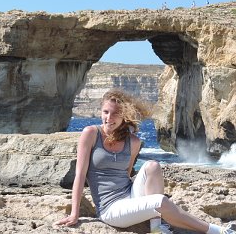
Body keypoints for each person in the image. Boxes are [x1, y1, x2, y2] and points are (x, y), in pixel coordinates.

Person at [55, 89, 236, 234]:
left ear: (124, 116)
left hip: (130, 196)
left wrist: (138, 202)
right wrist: (74, 213)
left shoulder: (133, 142)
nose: (108, 118)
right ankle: (218, 231)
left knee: (153, 166)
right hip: (110, 209)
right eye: (105, 112)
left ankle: (156, 226)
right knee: (160, 202)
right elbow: (80, 175)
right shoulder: (91, 133)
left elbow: (127, 175)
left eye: (115, 113)